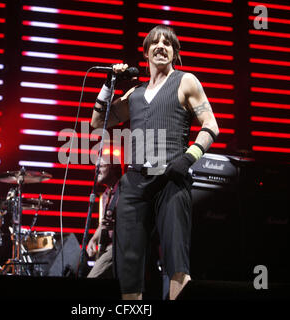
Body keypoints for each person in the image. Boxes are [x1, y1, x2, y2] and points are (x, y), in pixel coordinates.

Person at [91, 25, 220, 300]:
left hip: (170, 178)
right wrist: (107, 84)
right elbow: (98, 122)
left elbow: (211, 125)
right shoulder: (135, 93)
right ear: (146, 52)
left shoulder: (185, 81)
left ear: (174, 53)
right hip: (135, 183)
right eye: (155, 43)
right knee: (127, 264)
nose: (161, 46)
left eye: (168, 43)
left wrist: (189, 157)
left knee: (176, 260)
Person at [86, 156, 121, 278]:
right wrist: (93, 240)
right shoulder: (106, 194)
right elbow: (104, 224)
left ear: (112, 168)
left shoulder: (125, 191)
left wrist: (116, 225)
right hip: (106, 247)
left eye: (100, 166)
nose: (97, 171)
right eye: (95, 168)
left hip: (119, 246)